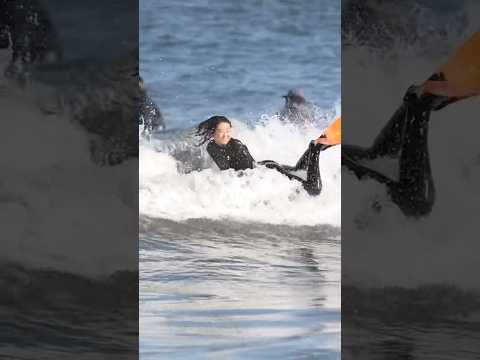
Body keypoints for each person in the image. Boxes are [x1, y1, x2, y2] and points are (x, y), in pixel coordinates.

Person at [196, 115, 335, 196]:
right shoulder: (212, 147)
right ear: (212, 133)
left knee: (313, 189)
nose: (226, 134)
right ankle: (316, 145)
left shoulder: (234, 145)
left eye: (228, 130)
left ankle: (315, 148)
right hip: (263, 168)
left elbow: (233, 173)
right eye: (221, 131)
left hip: (268, 172)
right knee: (299, 171)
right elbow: (230, 172)